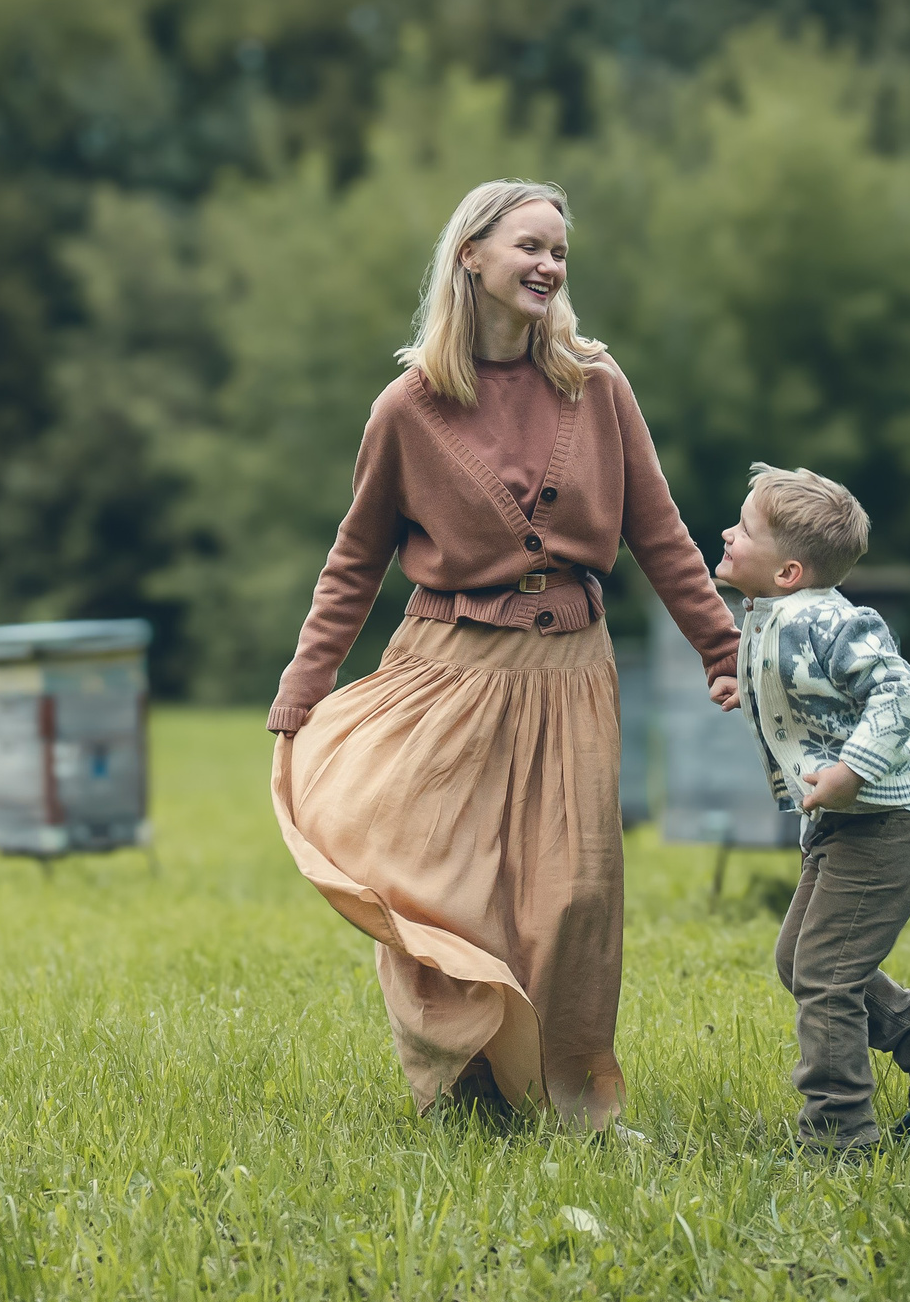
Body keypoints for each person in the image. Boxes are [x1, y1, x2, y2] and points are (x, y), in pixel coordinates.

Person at [268, 179, 741, 1132]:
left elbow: (661, 531)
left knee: (575, 901)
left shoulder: (596, 384)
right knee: (446, 888)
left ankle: (578, 1106)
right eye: (530, 245)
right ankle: (467, 1085)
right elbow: (353, 563)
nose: (549, 265)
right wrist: (302, 689)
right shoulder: (407, 407)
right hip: (446, 672)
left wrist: (719, 645)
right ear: (470, 256)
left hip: (571, 672)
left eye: (560, 251)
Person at [712, 463, 910, 1156]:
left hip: (891, 827)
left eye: (744, 527)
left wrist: (851, 771)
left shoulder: (833, 619)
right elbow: (811, 694)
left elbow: (900, 692)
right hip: (850, 826)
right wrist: (743, 689)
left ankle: (839, 1135)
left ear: (789, 572)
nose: (726, 530)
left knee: (826, 977)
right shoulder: (777, 613)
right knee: (798, 961)